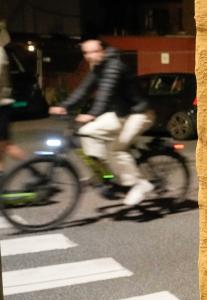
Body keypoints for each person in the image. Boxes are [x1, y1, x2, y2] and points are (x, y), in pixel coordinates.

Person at [50, 39, 154, 206]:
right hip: (121, 114)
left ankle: (139, 184)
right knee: (86, 132)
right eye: (86, 53)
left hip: (139, 113)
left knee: (117, 148)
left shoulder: (114, 66)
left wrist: (92, 114)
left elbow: (106, 91)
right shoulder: (98, 68)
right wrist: (64, 106)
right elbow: (83, 90)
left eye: (94, 51)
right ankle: (105, 174)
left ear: (103, 51)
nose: (89, 56)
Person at [0, 22, 26, 169]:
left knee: (6, 146)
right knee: (4, 146)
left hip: (2, 105)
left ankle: (34, 169)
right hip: (3, 104)